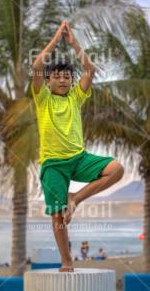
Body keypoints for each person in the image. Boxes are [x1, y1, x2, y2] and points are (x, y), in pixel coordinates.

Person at [32, 20, 124, 272]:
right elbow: (37, 65)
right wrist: (55, 39)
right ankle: (66, 259)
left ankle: (76, 198)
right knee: (58, 214)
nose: (62, 80)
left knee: (117, 169)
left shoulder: (75, 96)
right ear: (48, 81)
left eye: (67, 77)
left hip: (79, 158)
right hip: (53, 164)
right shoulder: (42, 99)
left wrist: (74, 44)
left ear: (72, 82)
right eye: (57, 77)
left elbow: (90, 70)